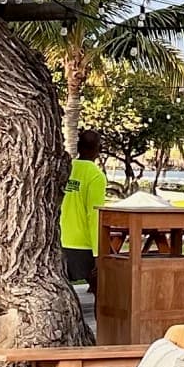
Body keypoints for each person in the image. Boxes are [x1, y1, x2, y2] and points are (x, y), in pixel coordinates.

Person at [60, 129, 109, 312]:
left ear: (78, 147)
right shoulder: (96, 176)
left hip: (60, 239)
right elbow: (94, 215)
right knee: (100, 290)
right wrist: (98, 254)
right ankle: (101, 325)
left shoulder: (66, 169)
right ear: (99, 149)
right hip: (83, 245)